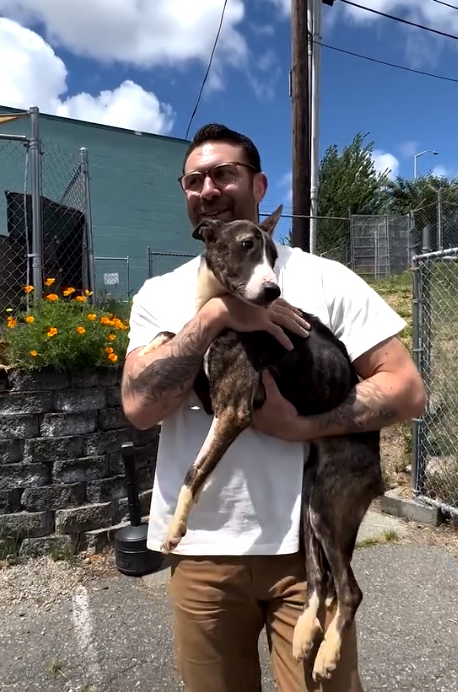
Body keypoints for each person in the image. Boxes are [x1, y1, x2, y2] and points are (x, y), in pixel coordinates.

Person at [121, 123, 426, 692]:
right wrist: (216, 316)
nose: (208, 187)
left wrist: (302, 426)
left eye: (224, 174)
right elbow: (139, 406)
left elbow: (407, 390)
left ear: (259, 185)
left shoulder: (325, 279)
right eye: (194, 179)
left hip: (301, 556)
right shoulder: (158, 295)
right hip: (201, 553)